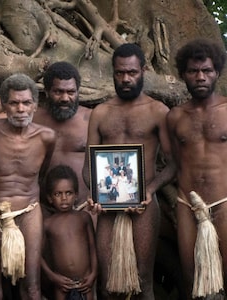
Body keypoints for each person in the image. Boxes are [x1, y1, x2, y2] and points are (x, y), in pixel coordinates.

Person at [82, 43, 175, 299]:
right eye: (120, 73)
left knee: (143, 281)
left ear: (143, 70)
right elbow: (89, 168)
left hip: (143, 206)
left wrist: (149, 191)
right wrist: (96, 194)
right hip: (108, 208)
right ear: (112, 72)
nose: (125, 79)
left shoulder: (157, 111)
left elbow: (174, 164)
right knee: (107, 282)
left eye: (132, 72)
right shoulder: (100, 113)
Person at [0, 73, 56, 299]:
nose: (21, 109)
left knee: (32, 287)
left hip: (29, 211)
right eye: (14, 103)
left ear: (35, 106)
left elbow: (41, 175)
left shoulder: (46, 137)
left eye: (27, 103)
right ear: (4, 106)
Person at [0, 62, 92, 207]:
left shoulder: (91, 119)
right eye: (58, 92)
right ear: (46, 92)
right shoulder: (31, 117)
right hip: (37, 206)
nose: (65, 98)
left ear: (78, 92)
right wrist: (24, 83)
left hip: (82, 207)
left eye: (71, 92)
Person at [167, 38, 227, 298]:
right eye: (193, 71)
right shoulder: (175, 117)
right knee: (191, 276)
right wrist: (147, 189)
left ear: (217, 73)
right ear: (183, 74)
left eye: (207, 71)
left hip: (225, 201)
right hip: (187, 205)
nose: (200, 77)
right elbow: (174, 164)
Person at [41, 165, 97, 300]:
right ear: (49, 198)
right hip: (62, 284)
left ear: (76, 195)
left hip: (85, 282)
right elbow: (37, 255)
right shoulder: (48, 224)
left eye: (68, 193)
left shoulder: (83, 218)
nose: (64, 198)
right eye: (57, 194)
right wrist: (53, 276)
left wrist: (93, 273)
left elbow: (92, 247)